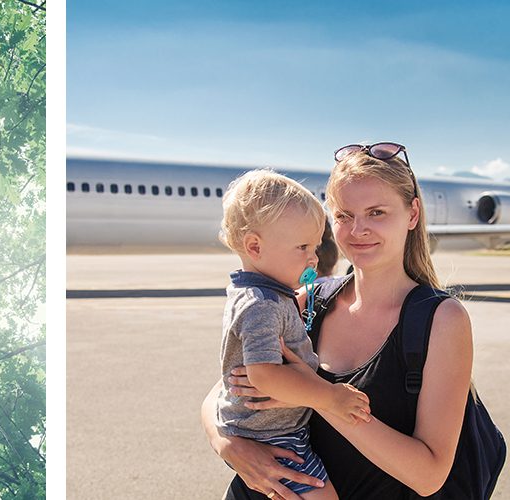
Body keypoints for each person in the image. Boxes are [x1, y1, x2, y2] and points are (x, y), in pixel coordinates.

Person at [202, 143, 474, 499]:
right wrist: (229, 446)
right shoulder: (307, 301)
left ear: (412, 214)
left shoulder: (441, 320)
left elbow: (429, 476)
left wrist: (322, 399)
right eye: (344, 215)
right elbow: (222, 392)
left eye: (376, 212)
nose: (357, 229)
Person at [214, 169, 373, 500]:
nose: (314, 258)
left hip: (270, 428)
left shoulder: (266, 293)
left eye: (315, 246)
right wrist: (331, 398)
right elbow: (263, 376)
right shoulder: (263, 304)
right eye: (302, 247)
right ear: (254, 247)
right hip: (272, 436)